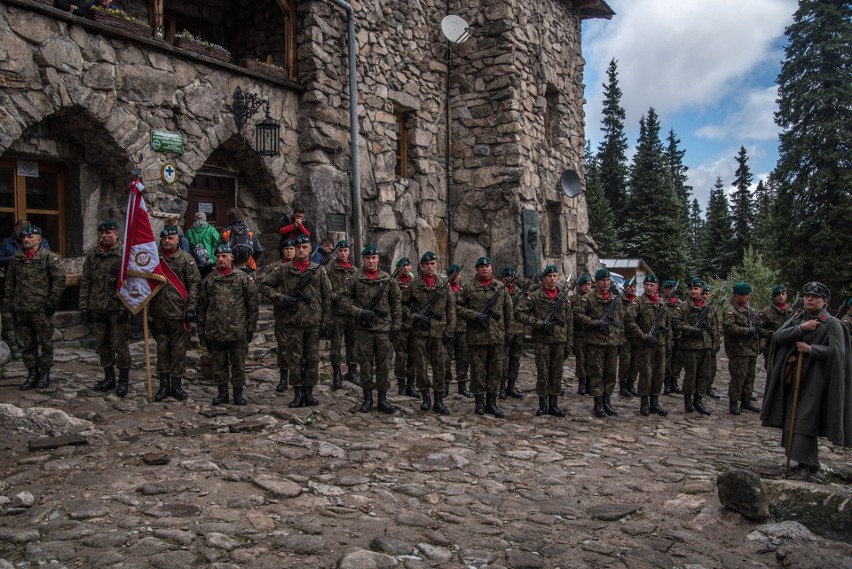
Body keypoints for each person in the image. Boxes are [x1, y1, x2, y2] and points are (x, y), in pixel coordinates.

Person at [760, 282, 852, 482]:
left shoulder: (832, 324)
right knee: (792, 417)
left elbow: (839, 354)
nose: (809, 299)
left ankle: (808, 464)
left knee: (805, 420)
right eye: (807, 296)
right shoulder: (797, 318)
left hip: (817, 381)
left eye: (815, 297)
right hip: (794, 378)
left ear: (825, 302)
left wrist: (812, 350)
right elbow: (778, 337)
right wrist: (800, 329)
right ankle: (801, 462)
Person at [259, 234, 331, 408]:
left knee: (312, 359)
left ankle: (309, 393)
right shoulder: (284, 269)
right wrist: (281, 298)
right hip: (292, 321)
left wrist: (326, 322)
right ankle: (298, 393)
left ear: (310, 249)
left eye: (305, 247)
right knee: (295, 359)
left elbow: (327, 297)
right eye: (298, 248)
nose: (300, 250)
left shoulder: (318, 270)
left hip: (313, 321)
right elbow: (264, 286)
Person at [340, 244, 402, 413]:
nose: (371, 261)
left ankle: (383, 399)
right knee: (365, 365)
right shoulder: (355, 278)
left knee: (383, 365)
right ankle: (367, 399)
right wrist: (359, 312)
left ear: (378, 259)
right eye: (368, 258)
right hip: (363, 330)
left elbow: (396, 302)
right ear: (363, 259)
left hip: (383, 330)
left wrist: (396, 325)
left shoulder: (387, 279)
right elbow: (343, 299)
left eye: (374, 258)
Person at [4, 225, 65, 389]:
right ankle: (32, 373)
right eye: (24, 237)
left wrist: (52, 301)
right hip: (22, 308)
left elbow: (59, 281)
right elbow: (10, 283)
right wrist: (10, 303)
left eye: (30, 237)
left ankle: (45, 373)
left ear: (39, 239)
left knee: (45, 343)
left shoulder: (48, 258)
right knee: (27, 343)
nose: (26, 239)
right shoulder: (17, 258)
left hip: (41, 309)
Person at [197, 244, 259, 406]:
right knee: (219, 364)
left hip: (237, 330)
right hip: (215, 330)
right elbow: (202, 306)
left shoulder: (242, 278)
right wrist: (201, 330)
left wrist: (250, 327)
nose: (221, 259)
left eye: (224, 256)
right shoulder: (209, 280)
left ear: (232, 258)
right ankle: (222, 393)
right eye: (218, 257)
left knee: (238, 364)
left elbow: (252, 304)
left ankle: (238, 392)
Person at [80, 220, 133, 395]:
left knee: (120, 345)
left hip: (117, 307)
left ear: (116, 234)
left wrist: (126, 307)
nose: (104, 236)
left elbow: (132, 283)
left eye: (108, 232)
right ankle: (109, 377)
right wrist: (84, 306)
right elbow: (86, 281)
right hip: (97, 305)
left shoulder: (124, 255)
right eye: (102, 233)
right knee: (102, 344)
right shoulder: (93, 255)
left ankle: (123, 380)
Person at [149, 226, 201, 402]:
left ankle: (177, 385)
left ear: (178, 240)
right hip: (159, 312)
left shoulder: (186, 260)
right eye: (164, 238)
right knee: (162, 350)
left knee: (179, 351)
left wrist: (191, 308)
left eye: (171, 238)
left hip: (180, 313)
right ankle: (164, 386)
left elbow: (194, 284)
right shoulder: (154, 259)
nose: (167, 241)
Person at [456, 256, 512, 418]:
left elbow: (508, 312)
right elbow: (457, 308)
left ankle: (492, 402)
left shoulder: (500, 288)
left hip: (496, 337)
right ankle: (479, 402)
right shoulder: (468, 288)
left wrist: (509, 333)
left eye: (487, 266)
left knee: (495, 370)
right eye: (481, 267)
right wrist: (474, 316)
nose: (485, 269)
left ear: (491, 268)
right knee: (477, 371)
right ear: (476, 269)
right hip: (476, 337)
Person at [516, 264, 572, 417]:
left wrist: (569, 342)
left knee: (557, 373)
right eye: (549, 276)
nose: (552, 279)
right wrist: (539, 323)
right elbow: (519, 313)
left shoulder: (563, 296)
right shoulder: (535, 296)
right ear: (543, 279)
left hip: (559, 340)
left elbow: (569, 321)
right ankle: (542, 404)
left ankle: (554, 404)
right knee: (543, 373)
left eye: (555, 276)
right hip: (542, 341)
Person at [404, 251, 456, 414]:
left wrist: (450, 330)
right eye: (427, 264)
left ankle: (439, 400)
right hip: (420, 333)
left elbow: (451, 309)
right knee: (421, 367)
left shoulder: (443, 284)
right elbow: (402, 305)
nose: (430, 267)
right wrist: (415, 316)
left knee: (440, 367)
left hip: (439, 333)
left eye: (433, 263)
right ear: (422, 266)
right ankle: (426, 397)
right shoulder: (414, 284)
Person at [574, 268, 625, 418]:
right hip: (595, 343)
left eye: (608, 280)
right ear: (597, 282)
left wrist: (620, 341)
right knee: (596, 373)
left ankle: (607, 401)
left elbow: (620, 322)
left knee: (610, 374)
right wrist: (595, 323)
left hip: (612, 343)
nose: (606, 283)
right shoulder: (588, 299)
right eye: (603, 280)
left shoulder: (616, 299)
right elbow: (577, 315)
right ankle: (598, 403)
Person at [672, 277, 719, 415]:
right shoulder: (683, 306)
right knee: (690, 375)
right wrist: (691, 329)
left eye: (696, 289)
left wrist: (715, 342)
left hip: (706, 345)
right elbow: (675, 322)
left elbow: (714, 325)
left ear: (701, 290)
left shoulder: (708, 306)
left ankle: (699, 400)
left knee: (704, 375)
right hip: (690, 346)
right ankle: (688, 401)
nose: (693, 291)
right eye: (691, 289)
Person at [624, 274, 669, 416]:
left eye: (651, 285)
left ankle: (655, 402)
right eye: (646, 285)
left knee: (659, 374)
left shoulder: (662, 303)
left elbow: (667, 325)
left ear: (657, 286)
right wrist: (643, 336)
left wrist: (669, 343)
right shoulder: (638, 303)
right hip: (644, 345)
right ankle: (644, 403)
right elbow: (629, 320)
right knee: (645, 374)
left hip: (660, 344)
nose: (649, 288)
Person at [723, 282, 761, 415]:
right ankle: (733, 402)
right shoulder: (730, 310)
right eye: (745, 294)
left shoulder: (750, 310)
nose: (748, 297)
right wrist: (747, 331)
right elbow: (729, 327)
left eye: (748, 294)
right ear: (736, 295)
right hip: (738, 349)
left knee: (750, 376)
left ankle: (746, 400)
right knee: (738, 377)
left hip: (751, 348)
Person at [327, 240, 358, 389]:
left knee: (353, 343)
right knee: (336, 344)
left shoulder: (355, 271)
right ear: (336, 252)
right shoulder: (329, 269)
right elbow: (327, 291)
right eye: (341, 251)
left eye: (346, 251)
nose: (343, 253)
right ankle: (337, 373)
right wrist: (338, 296)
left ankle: (352, 371)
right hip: (337, 313)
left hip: (351, 312)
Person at [270, 238, 296, 393]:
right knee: (283, 347)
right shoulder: (275, 267)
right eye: (286, 249)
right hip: (282, 314)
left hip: (301, 314)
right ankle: (283, 378)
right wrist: (278, 297)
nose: (289, 251)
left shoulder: (306, 268)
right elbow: (263, 285)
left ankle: (298, 378)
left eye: (291, 249)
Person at [445, 264, 472, 398]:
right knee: (445, 359)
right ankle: (445, 385)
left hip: (462, 329)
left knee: (463, 359)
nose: (456, 276)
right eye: (453, 274)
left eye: (458, 274)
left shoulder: (465, 289)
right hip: (447, 328)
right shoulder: (444, 289)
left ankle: (462, 385)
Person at [393, 257, 418, 397]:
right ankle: (401, 385)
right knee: (400, 357)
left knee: (413, 356)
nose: (406, 268)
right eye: (403, 266)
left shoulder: (415, 283)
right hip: (400, 324)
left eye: (408, 265)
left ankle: (411, 385)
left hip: (414, 325)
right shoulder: (393, 283)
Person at [501, 267, 526, 399]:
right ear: (502, 278)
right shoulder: (499, 291)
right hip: (504, 330)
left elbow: (523, 310)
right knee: (502, 359)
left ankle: (511, 385)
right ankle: (501, 386)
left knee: (515, 359)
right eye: (506, 277)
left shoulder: (520, 293)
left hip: (518, 330)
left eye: (511, 277)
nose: (509, 279)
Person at [756, 285, 793, 370]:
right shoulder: (766, 312)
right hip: (771, 348)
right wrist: (773, 335)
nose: (781, 296)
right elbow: (758, 329)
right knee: (772, 375)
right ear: (773, 297)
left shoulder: (790, 311)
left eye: (783, 294)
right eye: (778, 294)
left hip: (787, 349)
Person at [220, 208, 263, 272]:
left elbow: (220, 249)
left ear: (229, 218)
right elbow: (259, 250)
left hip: (231, 266)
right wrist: (249, 257)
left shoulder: (225, 232)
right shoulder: (248, 232)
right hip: (247, 266)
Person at [662, 279, 684, 395]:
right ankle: (666, 384)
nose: (670, 290)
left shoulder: (680, 303)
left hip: (679, 336)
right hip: (666, 337)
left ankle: (674, 382)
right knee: (667, 361)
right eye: (668, 288)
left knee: (677, 360)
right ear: (664, 289)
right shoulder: (661, 302)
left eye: (672, 288)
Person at [618, 278, 639, 398]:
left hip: (636, 336)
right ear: (625, 287)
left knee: (635, 362)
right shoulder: (620, 301)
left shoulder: (637, 301)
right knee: (625, 361)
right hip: (625, 335)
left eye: (634, 286)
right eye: (630, 286)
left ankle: (631, 384)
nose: (632, 288)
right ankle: (623, 385)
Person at [573, 274, 592, 396]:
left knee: (591, 360)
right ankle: (582, 382)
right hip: (579, 334)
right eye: (584, 285)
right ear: (579, 286)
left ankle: (590, 383)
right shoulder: (574, 299)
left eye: (589, 284)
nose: (587, 287)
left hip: (592, 334)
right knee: (581, 359)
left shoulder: (594, 298)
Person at [703, 284, 724, 400]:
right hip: (703, 342)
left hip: (712, 341)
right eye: (705, 293)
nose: (707, 296)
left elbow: (716, 325)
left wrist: (717, 341)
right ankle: (701, 388)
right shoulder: (701, 307)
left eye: (708, 293)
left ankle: (708, 387)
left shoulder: (711, 307)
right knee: (703, 368)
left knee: (712, 367)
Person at [185, 211, 220, 279]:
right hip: (208, 261)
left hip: (194, 261)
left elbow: (186, 247)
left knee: (195, 282)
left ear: (195, 219)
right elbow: (218, 244)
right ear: (205, 219)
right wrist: (213, 258)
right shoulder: (211, 230)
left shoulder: (189, 231)